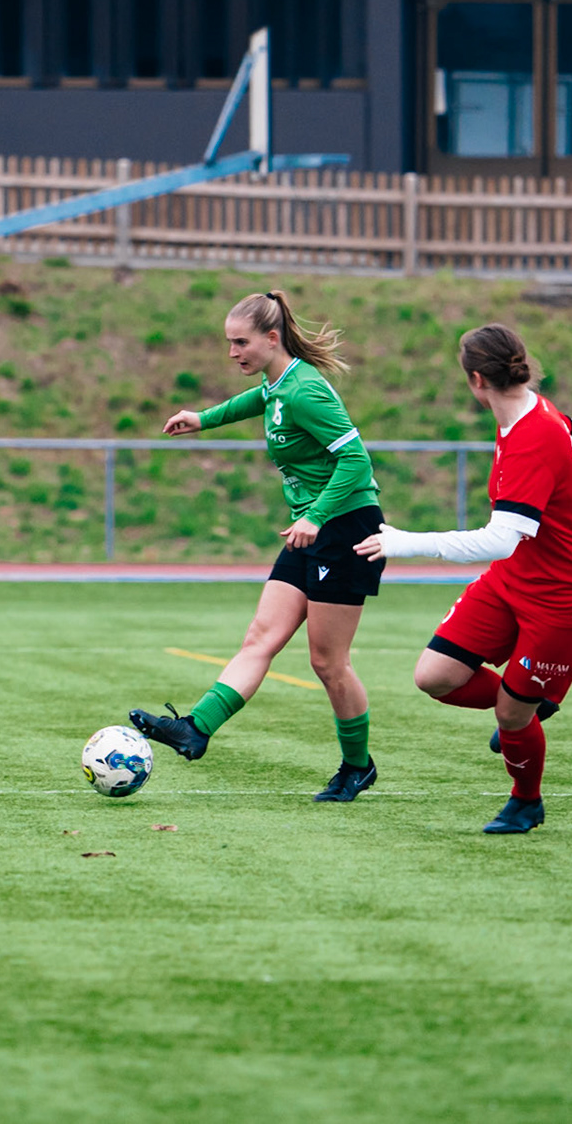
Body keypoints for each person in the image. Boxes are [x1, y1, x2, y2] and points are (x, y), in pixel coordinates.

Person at [128, 290, 387, 802]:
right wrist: (202, 418)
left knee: (328, 662)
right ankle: (196, 729)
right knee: (260, 636)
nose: (232, 353)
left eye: (240, 342)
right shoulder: (278, 386)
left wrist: (316, 515)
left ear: (272, 339)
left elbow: (356, 461)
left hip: (346, 528)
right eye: (229, 343)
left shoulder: (305, 392)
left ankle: (357, 766)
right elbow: (256, 402)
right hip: (308, 527)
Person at [355, 324, 572, 835]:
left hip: (565, 596)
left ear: (475, 379)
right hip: (515, 579)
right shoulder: (527, 411)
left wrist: (406, 541)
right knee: (435, 676)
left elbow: (499, 540)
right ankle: (529, 702)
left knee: (511, 716)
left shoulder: (532, 435)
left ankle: (526, 801)